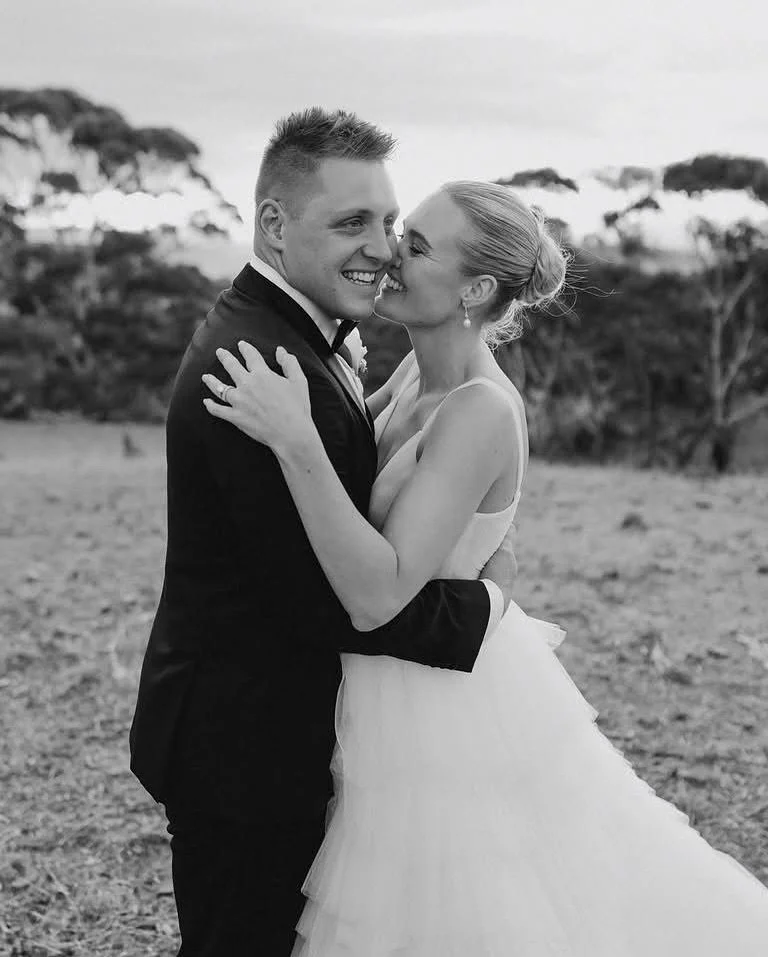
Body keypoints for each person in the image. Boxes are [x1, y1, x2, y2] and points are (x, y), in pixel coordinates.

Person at [204, 179, 768, 955]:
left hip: (444, 706)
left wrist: (297, 440)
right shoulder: (409, 376)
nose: (391, 253)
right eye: (405, 231)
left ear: (473, 288)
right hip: (385, 685)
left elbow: (377, 592)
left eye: (418, 246)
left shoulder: (480, 409)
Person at [128, 109, 519, 957]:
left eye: (391, 223)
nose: (381, 247)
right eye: (355, 223)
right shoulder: (261, 369)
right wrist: (483, 611)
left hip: (281, 732)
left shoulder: (299, 340)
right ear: (274, 223)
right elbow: (323, 596)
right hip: (243, 749)